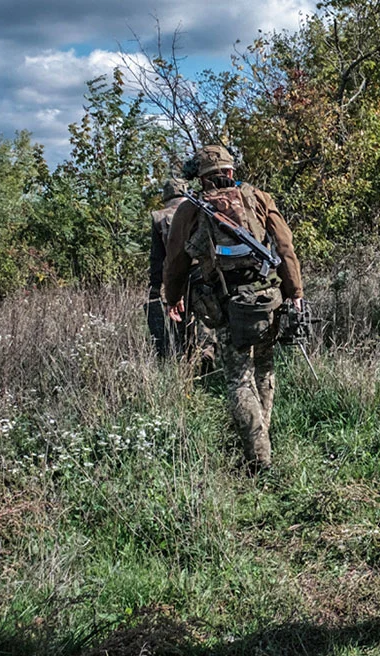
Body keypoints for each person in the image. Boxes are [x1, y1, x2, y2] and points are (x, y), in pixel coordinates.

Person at [162, 145, 304, 473]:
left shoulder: (191, 209)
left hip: (226, 305)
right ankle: (262, 444)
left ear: (201, 177)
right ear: (229, 171)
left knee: (239, 379)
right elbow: (285, 247)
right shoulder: (259, 197)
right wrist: (294, 291)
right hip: (268, 298)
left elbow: (176, 262)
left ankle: (258, 456)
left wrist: (173, 297)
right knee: (265, 369)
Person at [147, 178, 189, 358]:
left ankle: (182, 355)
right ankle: (206, 353)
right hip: (204, 274)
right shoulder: (199, 210)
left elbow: (157, 258)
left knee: (177, 316)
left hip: (174, 276)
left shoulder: (159, 217)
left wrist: (154, 288)